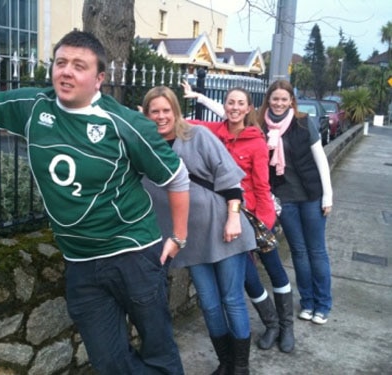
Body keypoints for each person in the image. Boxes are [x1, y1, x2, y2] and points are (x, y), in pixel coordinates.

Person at [0, 30, 190, 375]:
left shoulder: (125, 124)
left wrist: (178, 237)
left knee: (159, 351)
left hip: (132, 254)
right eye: (61, 62)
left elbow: (176, 177)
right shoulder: (33, 106)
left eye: (79, 66)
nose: (66, 71)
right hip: (81, 264)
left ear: (99, 78)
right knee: (109, 362)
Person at [141, 86, 257, 375]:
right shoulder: (144, 149)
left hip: (223, 229)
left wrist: (233, 218)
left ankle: (240, 367)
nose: (161, 116)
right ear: (146, 114)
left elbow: (229, 179)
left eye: (166, 110)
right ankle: (225, 362)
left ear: (176, 111)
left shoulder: (198, 136)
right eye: (154, 111)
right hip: (189, 240)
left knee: (231, 299)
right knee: (209, 303)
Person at [182, 81, 295, 353]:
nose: (234, 108)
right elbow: (183, 122)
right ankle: (271, 325)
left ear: (248, 109)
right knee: (248, 278)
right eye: (230, 103)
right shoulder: (213, 133)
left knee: (274, 270)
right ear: (224, 106)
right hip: (226, 221)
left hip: (254, 219)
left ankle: (286, 326)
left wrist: (265, 225)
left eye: (240, 104)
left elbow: (262, 186)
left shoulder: (256, 142)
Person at [258, 79, 333, 325]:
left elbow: (321, 159)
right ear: (268, 99)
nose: (279, 103)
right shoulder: (262, 125)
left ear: (291, 100)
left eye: (284, 99)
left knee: (317, 251)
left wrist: (328, 195)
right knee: (299, 252)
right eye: (275, 98)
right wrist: (200, 98)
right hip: (286, 199)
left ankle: (322, 304)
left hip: (312, 196)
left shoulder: (303, 122)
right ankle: (308, 302)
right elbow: (231, 116)